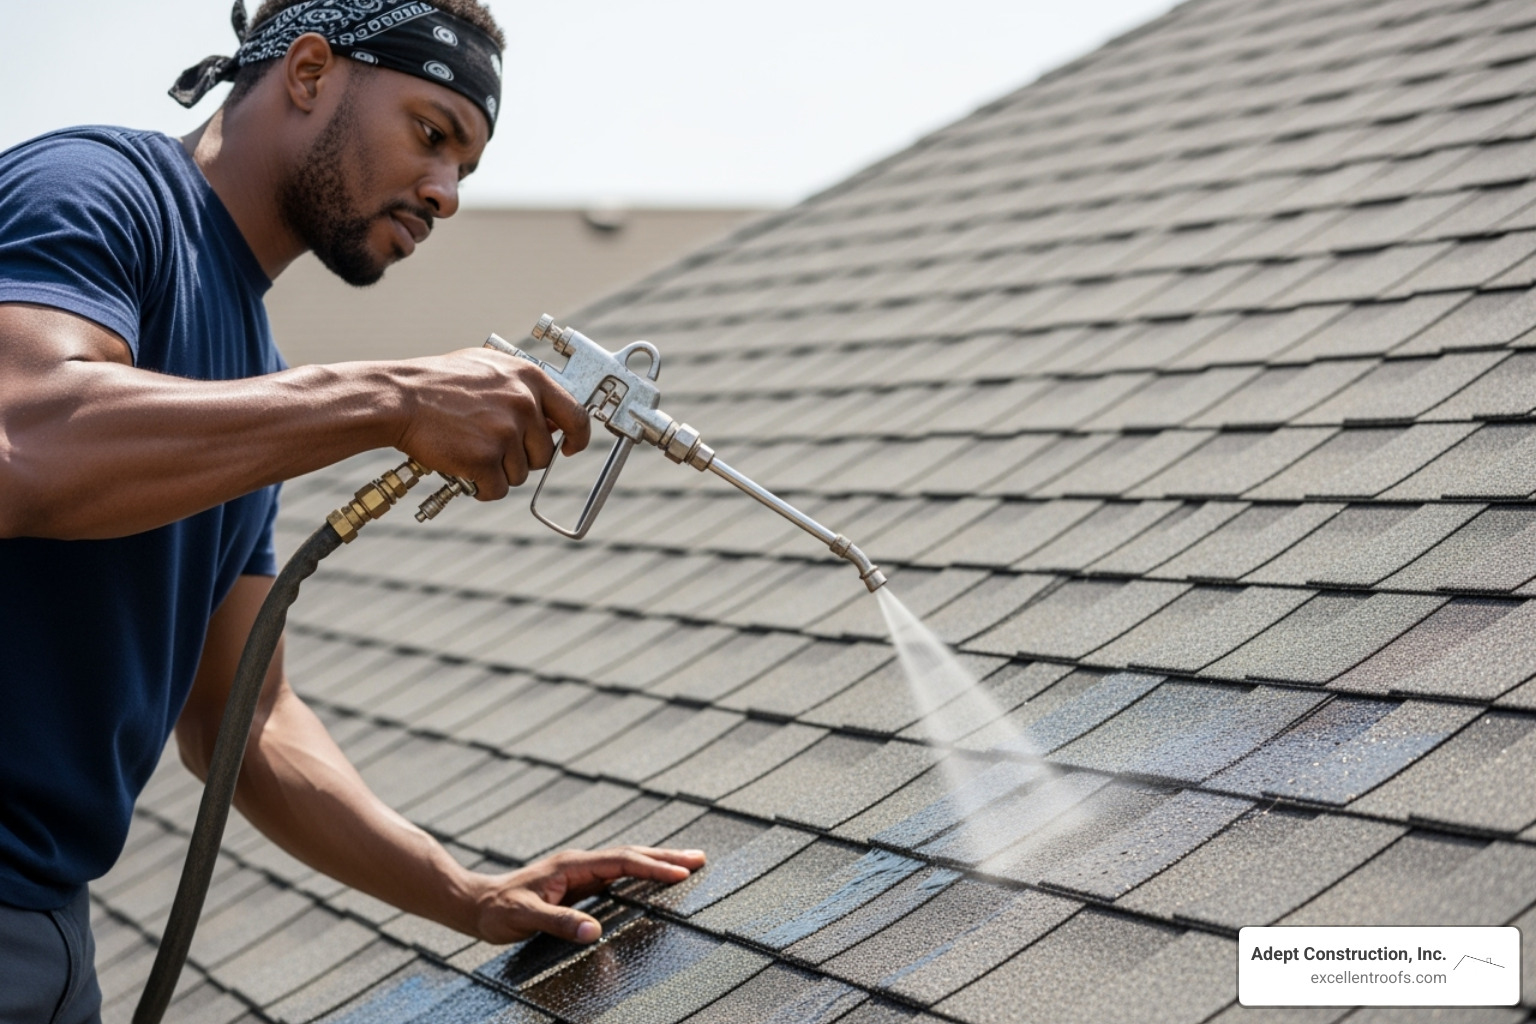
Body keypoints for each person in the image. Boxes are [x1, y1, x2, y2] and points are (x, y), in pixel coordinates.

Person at [0, 1, 704, 1019]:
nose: (446, 193)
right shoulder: (95, 191)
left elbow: (245, 718)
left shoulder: (250, 366)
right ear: (310, 71)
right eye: (432, 135)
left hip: (51, 927)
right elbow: (27, 442)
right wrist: (391, 399)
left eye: (467, 166)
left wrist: (466, 893)